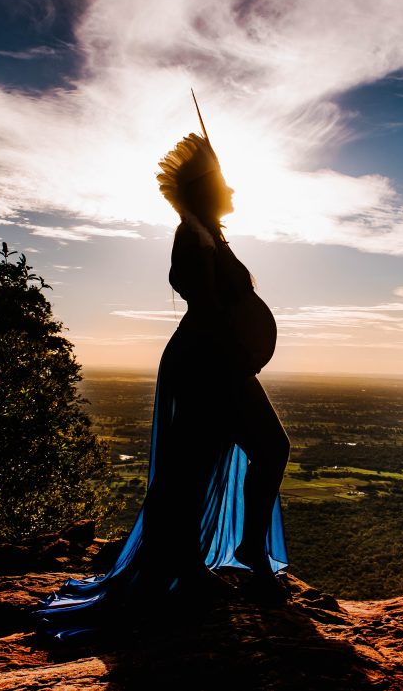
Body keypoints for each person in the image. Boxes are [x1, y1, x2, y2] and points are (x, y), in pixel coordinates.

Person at [33, 114, 291, 641]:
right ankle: (211, 563)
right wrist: (235, 348)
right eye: (224, 182)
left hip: (220, 360)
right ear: (206, 190)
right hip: (207, 362)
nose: (234, 188)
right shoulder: (192, 235)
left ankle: (226, 557)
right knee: (210, 462)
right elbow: (199, 296)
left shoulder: (211, 235)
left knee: (234, 456)